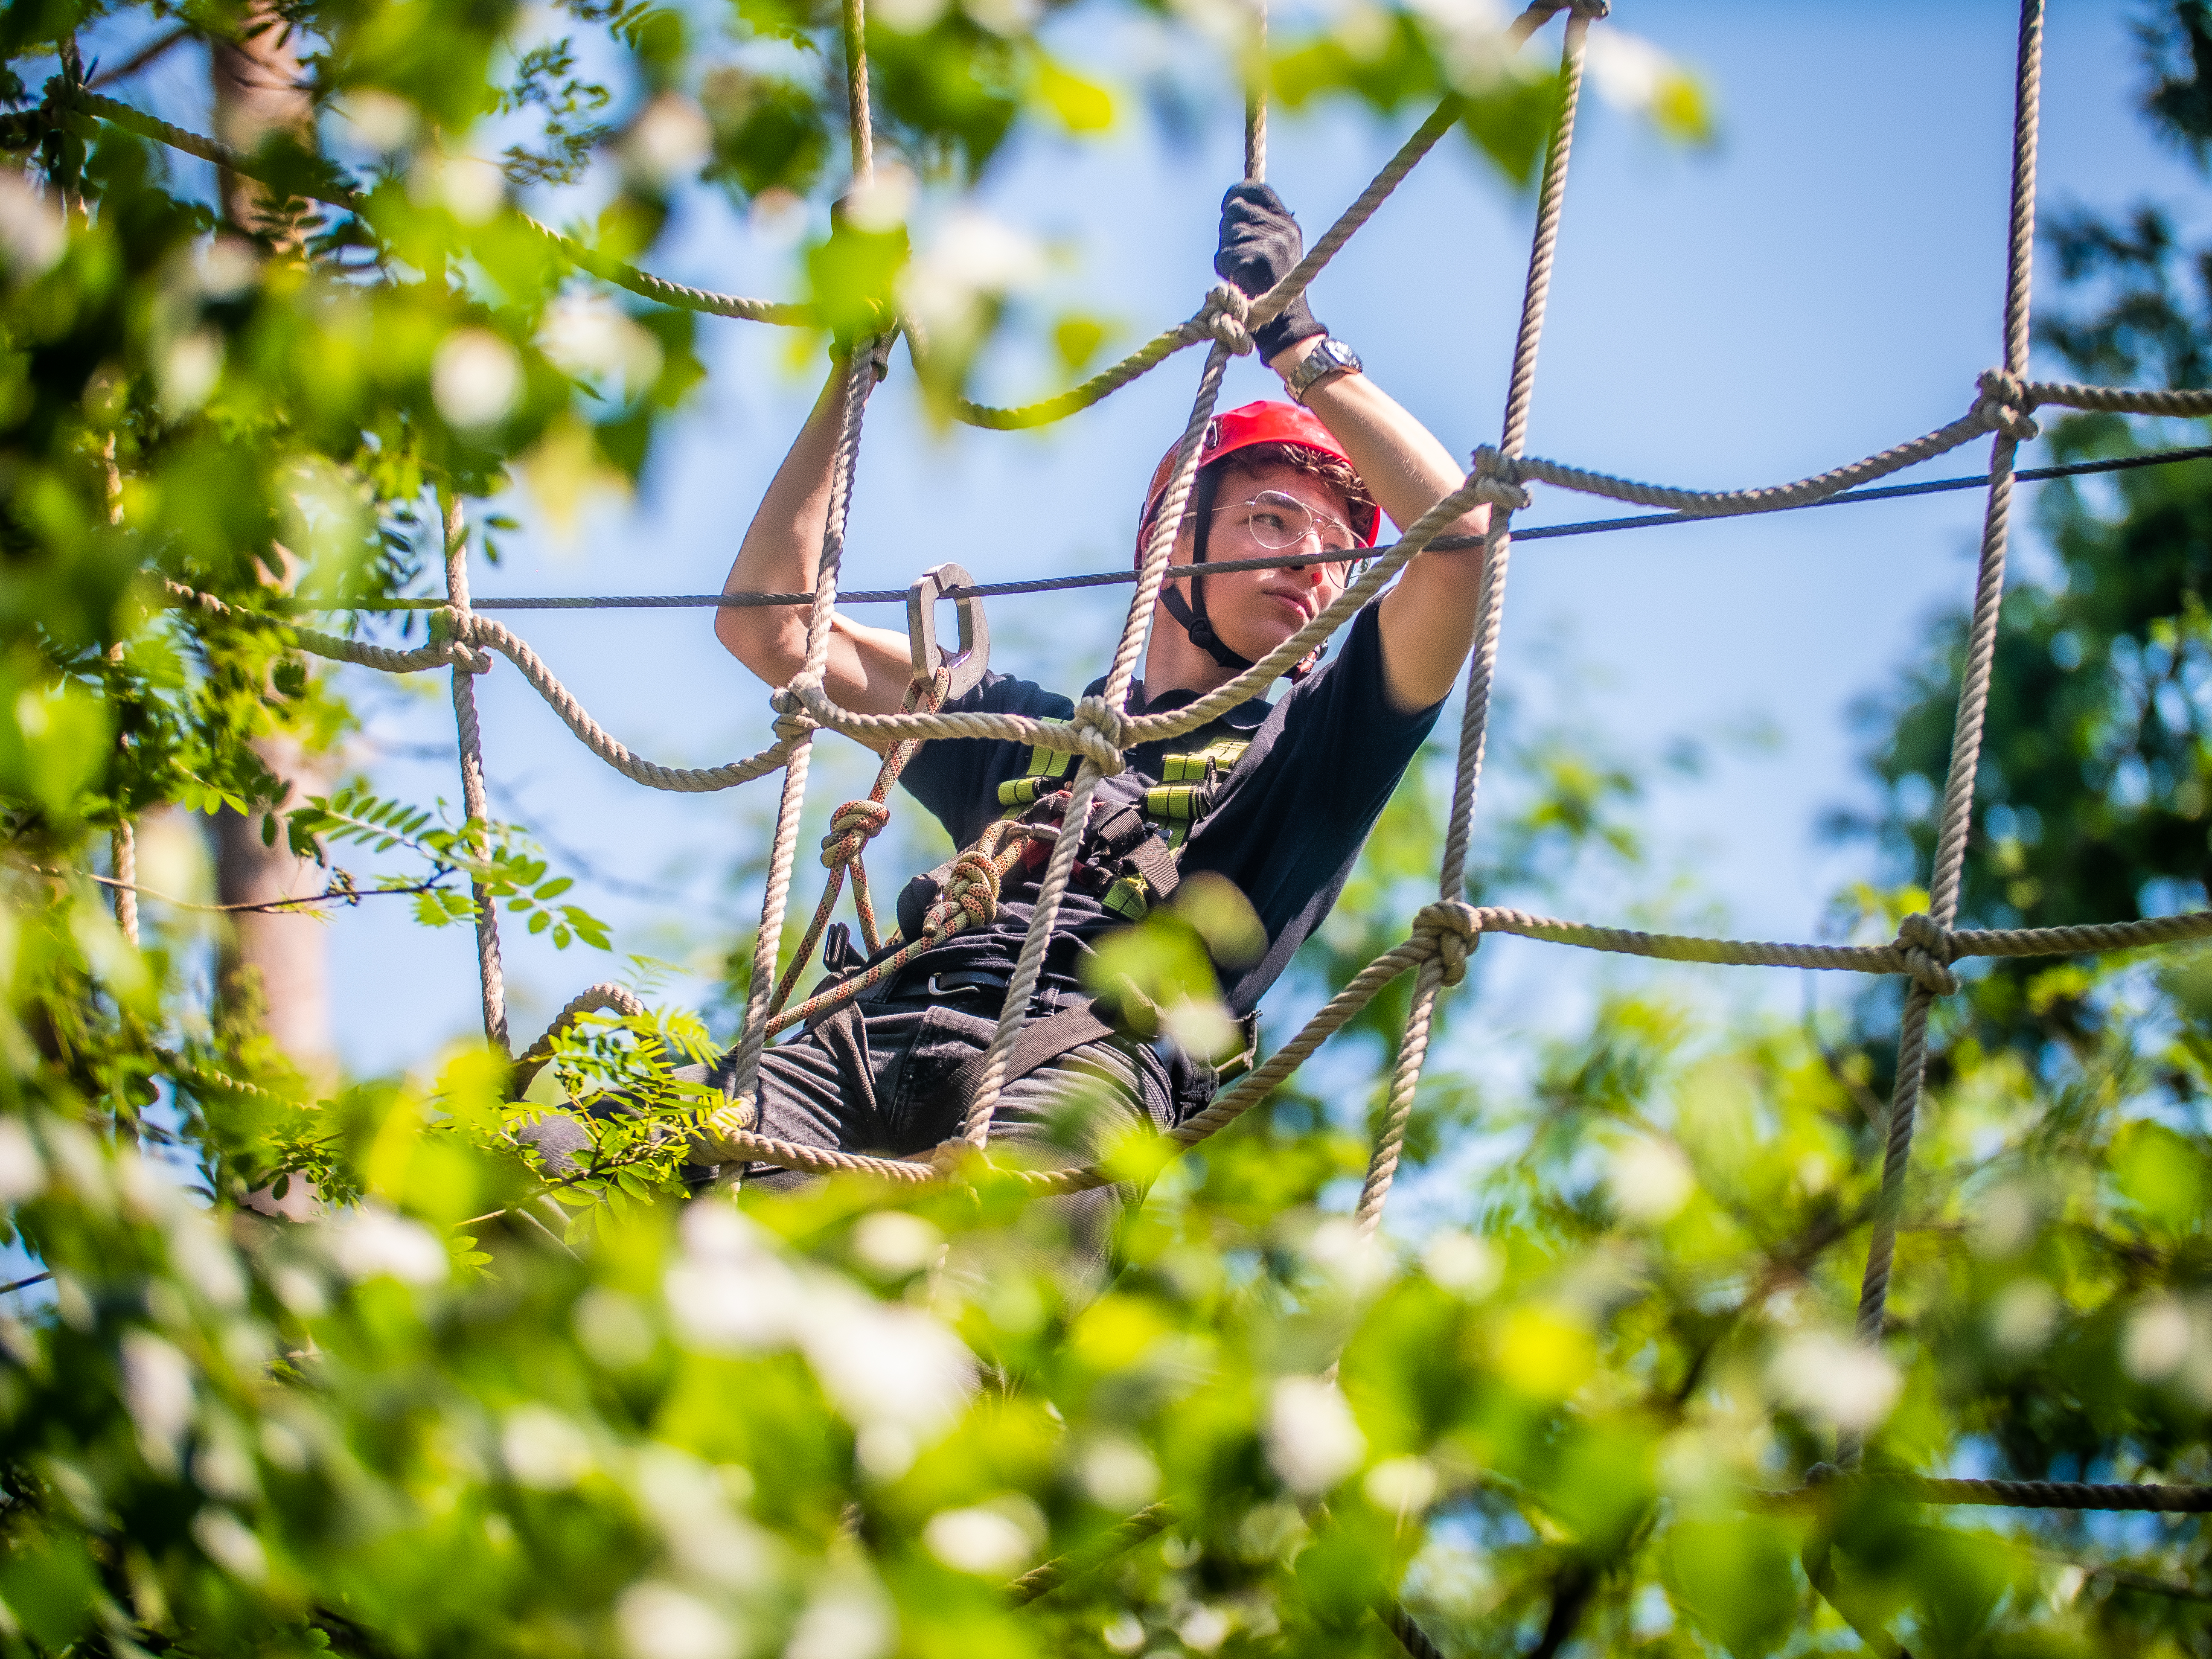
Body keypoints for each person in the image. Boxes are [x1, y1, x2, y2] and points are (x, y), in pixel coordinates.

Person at [703, 183, 1490, 1261]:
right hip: (861, 1032)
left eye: (1336, 548)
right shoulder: (1025, 731)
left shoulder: (1313, 747)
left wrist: (1298, 343)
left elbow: (1460, 542)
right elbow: (773, 630)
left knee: (971, 1318)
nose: (1312, 559)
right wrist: (857, 360)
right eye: (1272, 518)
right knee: (591, 1183)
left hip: (1082, 1064)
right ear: (1176, 539)